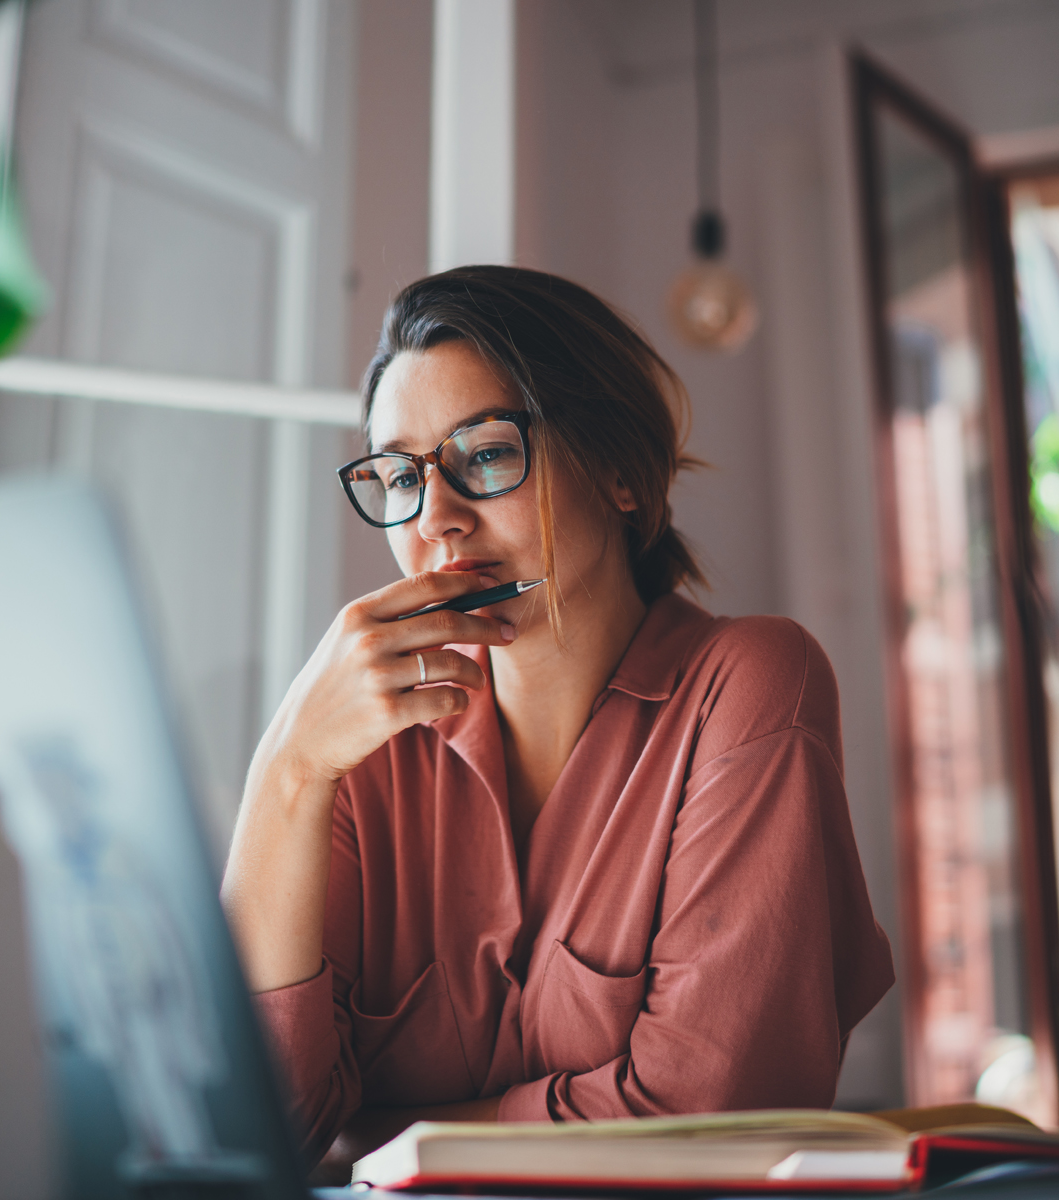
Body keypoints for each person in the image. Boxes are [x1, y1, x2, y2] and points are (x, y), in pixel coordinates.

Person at [220, 266, 894, 1173]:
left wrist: (377, 1138)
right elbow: (255, 1132)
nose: (439, 522)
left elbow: (707, 1116)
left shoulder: (749, 685)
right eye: (400, 476)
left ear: (620, 470)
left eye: (487, 453)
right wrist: (289, 768)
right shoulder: (359, 750)